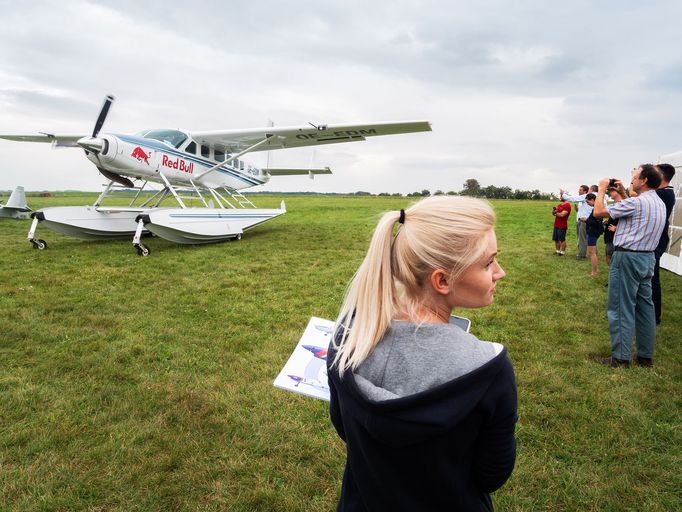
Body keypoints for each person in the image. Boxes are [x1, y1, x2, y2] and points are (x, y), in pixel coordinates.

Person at [327, 196, 517, 511]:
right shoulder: (490, 369)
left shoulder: (348, 338)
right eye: (488, 263)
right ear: (442, 280)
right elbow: (491, 474)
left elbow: (343, 426)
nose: (500, 273)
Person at [592, 165, 666, 367]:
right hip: (647, 259)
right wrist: (624, 193)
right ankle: (644, 356)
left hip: (627, 258)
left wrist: (601, 188)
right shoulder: (657, 202)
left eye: (634, 177)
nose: (631, 180)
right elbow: (634, 213)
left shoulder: (638, 203)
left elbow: (599, 211)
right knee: (645, 309)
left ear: (643, 181)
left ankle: (621, 358)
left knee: (620, 307)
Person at [652, 163, 676, 325]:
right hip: (657, 237)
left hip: (657, 238)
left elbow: (638, 195)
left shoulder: (663, 193)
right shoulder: (663, 193)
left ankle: (654, 316)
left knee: (652, 278)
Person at [560, 185, 591, 259]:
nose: (578, 191)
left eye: (580, 190)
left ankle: (582, 254)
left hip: (584, 221)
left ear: (585, 192)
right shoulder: (582, 199)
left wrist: (563, 194)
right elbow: (583, 210)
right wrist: (577, 210)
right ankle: (582, 252)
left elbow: (572, 199)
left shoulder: (585, 196)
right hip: (579, 220)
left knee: (582, 238)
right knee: (580, 238)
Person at [584, 193, 604, 276]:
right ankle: (595, 270)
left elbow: (597, 222)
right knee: (592, 252)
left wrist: (586, 220)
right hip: (592, 232)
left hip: (593, 233)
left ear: (592, 200)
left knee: (592, 253)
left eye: (587, 202)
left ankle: (594, 272)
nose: (587, 203)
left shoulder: (597, 208)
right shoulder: (596, 207)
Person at [603, 188, 623, 266]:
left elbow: (629, 221)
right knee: (608, 254)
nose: (610, 192)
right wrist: (608, 221)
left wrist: (617, 228)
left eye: (612, 191)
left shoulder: (624, 204)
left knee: (611, 255)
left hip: (615, 236)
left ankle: (613, 272)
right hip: (609, 234)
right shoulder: (614, 204)